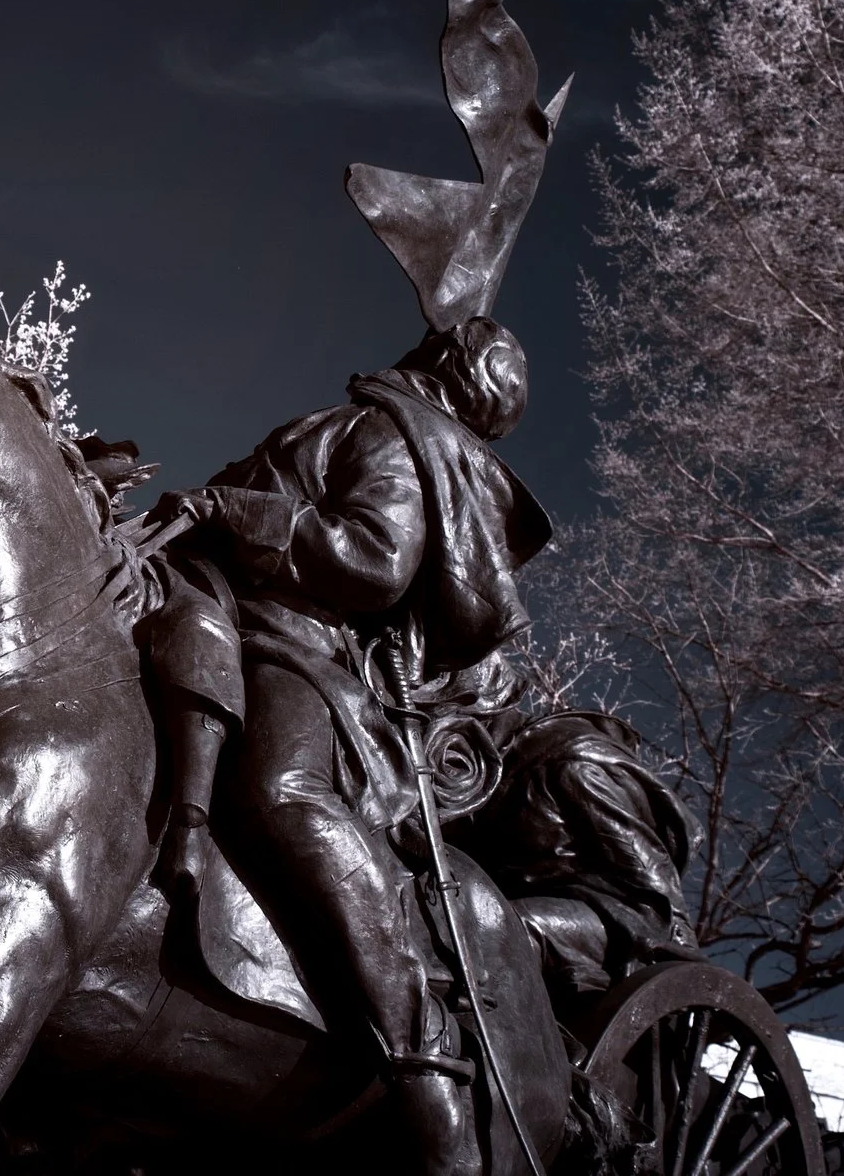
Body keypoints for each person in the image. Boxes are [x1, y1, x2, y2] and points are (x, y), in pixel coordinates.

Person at [156, 314, 549, 1176]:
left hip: (293, 648)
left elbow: (372, 560)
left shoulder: (398, 437)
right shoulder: (351, 420)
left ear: (451, 367)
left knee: (285, 793)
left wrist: (233, 508)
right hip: (201, 610)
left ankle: (423, 1058)